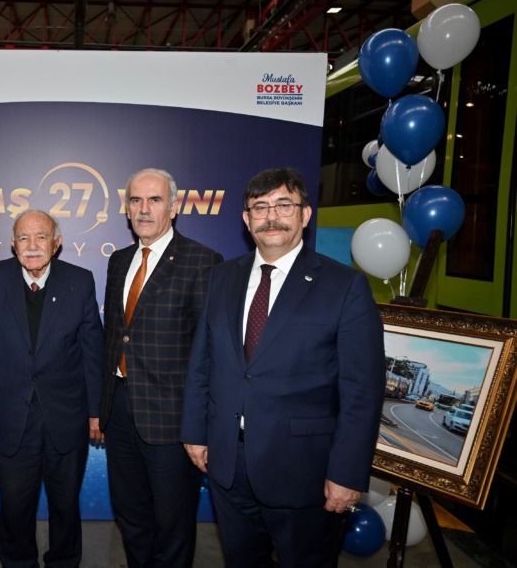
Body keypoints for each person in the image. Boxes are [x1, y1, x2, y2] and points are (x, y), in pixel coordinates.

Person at [180, 167, 385, 567]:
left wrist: (347, 473)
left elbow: (362, 391)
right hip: (227, 464)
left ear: (305, 214)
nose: (271, 216)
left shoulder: (345, 286)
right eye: (260, 207)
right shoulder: (220, 277)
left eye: (283, 205)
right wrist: (195, 432)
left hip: (304, 472)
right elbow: (202, 362)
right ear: (246, 219)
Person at [99, 168, 223, 567]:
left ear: (173, 207)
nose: (144, 209)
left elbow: (210, 352)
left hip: (172, 419)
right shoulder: (119, 261)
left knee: (173, 523)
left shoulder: (202, 262)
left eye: (154, 200)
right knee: (131, 516)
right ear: (126, 208)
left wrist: (200, 426)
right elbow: (115, 338)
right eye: (136, 200)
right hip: (119, 412)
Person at [0, 209, 104, 568]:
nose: (32, 245)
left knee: (65, 504)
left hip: (67, 415)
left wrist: (97, 411)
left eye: (41, 237)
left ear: (57, 243)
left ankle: (64, 561)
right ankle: (18, 562)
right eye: (24, 238)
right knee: (15, 505)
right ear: (13, 244)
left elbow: (93, 352)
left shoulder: (80, 281)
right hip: (11, 413)